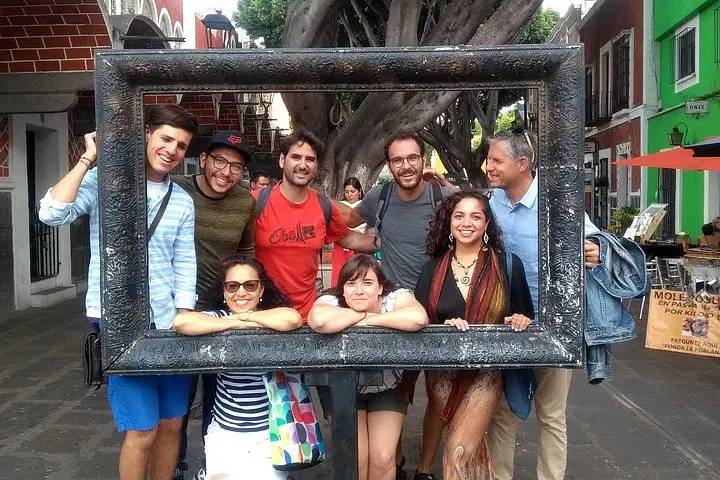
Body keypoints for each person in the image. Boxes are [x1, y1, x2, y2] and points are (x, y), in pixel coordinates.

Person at [39, 104, 199, 480]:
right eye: (165, 139)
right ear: (147, 135)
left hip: (168, 323)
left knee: (172, 424)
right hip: (119, 321)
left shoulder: (182, 201)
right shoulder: (106, 182)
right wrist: (87, 160)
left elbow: (184, 263)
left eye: (181, 145)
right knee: (141, 430)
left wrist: (185, 313)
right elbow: (51, 213)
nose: (171, 150)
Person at [336, 132, 456, 479]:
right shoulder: (381, 196)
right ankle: (396, 461)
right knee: (394, 387)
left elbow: (476, 214)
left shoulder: (442, 197)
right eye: (397, 160)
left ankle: (424, 468)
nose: (405, 166)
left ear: (423, 159)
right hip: (393, 310)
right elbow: (348, 220)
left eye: (412, 158)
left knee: (438, 391)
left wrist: (447, 183)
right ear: (389, 165)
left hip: (437, 308)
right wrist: (312, 200)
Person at [484, 127, 600, 480]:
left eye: (496, 160)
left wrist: (595, 250)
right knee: (501, 411)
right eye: (488, 159)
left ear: (522, 163)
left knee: (551, 415)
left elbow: (593, 241)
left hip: (553, 324)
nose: (489, 166)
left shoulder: (556, 202)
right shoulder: (492, 203)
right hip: (505, 321)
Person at [408, 191, 533, 480]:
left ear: (486, 223)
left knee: (458, 450)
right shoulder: (432, 270)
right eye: (459, 216)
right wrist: (443, 325)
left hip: (486, 372)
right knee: (458, 440)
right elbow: (418, 320)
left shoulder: (508, 266)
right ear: (449, 222)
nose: (467, 223)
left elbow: (523, 313)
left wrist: (518, 319)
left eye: (475, 216)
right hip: (442, 372)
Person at [173, 131, 257, 480]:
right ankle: (175, 466)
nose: (226, 172)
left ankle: (214, 465)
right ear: (204, 160)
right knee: (178, 399)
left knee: (217, 393)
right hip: (177, 308)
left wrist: (245, 299)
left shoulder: (245, 202)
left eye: (236, 166)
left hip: (221, 308)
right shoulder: (177, 190)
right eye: (220, 161)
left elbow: (246, 252)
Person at [173, 257, 302, 480]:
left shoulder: (269, 316)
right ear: (224, 292)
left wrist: (247, 316)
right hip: (224, 433)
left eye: (250, 285)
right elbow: (181, 322)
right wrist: (237, 321)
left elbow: (292, 319)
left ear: (261, 289)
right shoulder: (221, 317)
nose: (241, 292)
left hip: (271, 434)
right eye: (233, 286)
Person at [308, 254, 429, 480]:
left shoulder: (396, 297)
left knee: (383, 457)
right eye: (351, 283)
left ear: (380, 288)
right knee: (357, 457)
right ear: (342, 290)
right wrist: (361, 314)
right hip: (341, 385)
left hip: (388, 384)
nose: (359, 291)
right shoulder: (331, 299)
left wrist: (369, 320)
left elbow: (418, 318)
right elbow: (319, 320)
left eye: (367, 283)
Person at [252, 129, 375, 320]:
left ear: (316, 166)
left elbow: (349, 238)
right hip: (262, 315)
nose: (303, 165)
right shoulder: (256, 202)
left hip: (308, 317)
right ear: (282, 160)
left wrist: (385, 241)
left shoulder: (323, 205)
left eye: (309, 159)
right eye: (296, 157)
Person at [330, 177, 368, 287]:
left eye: (352, 191)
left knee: (358, 276)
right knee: (339, 275)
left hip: (360, 247)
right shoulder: (339, 206)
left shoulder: (365, 206)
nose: (349, 195)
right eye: (346, 192)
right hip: (341, 246)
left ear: (359, 191)